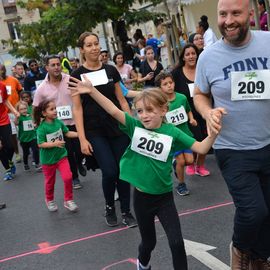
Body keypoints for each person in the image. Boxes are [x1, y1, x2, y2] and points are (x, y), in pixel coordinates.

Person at [68, 75, 220, 270]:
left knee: (176, 243)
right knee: (149, 243)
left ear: (163, 110)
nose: (144, 115)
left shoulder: (172, 132)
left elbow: (200, 147)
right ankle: (143, 263)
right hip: (142, 198)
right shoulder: (135, 126)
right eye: (140, 111)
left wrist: (214, 132)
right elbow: (113, 109)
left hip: (165, 198)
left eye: (149, 110)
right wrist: (92, 91)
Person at [193, 0, 270, 269]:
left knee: (268, 212)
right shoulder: (208, 57)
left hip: (268, 143)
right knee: (253, 211)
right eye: (223, 14)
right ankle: (239, 249)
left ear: (250, 14)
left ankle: (260, 258)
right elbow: (200, 94)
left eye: (235, 13)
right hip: (232, 148)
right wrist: (207, 113)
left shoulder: (268, 43)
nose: (228, 20)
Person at [71, 32, 137, 227]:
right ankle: (110, 207)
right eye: (89, 45)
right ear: (82, 50)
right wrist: (82, 139)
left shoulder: (110, 70)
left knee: (123, 170)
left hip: (117, 127)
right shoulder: (76, 76)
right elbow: (77, 108)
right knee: (109, 171)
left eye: (96, 44)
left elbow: (122, 100)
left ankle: (126, 211)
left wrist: (131, 124)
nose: (94, 48)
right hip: (94, 131)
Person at [33, 55, 85, 189]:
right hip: (57, 126)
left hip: (75, 121)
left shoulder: (70, 80)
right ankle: (74, 177)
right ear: (47, 68)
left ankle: (79, 163)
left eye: (58, 64)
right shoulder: (42, 88)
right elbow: (36, 107)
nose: (56, 67)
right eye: (53, 65)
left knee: (79, 150)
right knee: (67, 152)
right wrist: (37, 123)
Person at [155, 71, 197, 196]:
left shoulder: (182, 98)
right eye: (165, 84)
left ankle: (174, 164)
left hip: (185, 134)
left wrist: (192, 119)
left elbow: (188, 110)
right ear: (160, 88)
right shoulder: (160, 103)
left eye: (171, 82)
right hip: (172, 138)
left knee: (189, 161)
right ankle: (181, 185)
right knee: (181, 162)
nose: (169, 86)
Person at [172, 44, 210, 177]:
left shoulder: (202, 69)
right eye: (187, 54)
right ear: (183, 57)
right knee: (195, 138)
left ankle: (200, 166)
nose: (191, 56)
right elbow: (168, 90)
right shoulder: (176, 73)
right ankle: (191, 163)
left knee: (206, 139)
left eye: (193, 53)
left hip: (204, 109)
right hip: (187, 113)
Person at [33, 99, 79, 212]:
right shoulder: (42, 128)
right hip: (48, 160)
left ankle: (68, 200)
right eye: (51, 109)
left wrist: (80, 134)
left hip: (61, 156)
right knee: (50, 182)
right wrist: (55, 143)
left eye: (55, 109)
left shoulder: (59, 122)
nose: (55, 111)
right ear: (44, 113)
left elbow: (67, 133)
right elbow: (40, 144)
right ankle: (49, 200)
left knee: (68, 177)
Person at [0, 63, 22, 163]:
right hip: (5, 116)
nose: (2, 72)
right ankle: (10, 163)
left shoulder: (8, 82)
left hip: (10, 114)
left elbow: (5, 100)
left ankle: (11, 158)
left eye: (3, 70)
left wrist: (16, 110)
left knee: (13, 142)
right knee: (6, 141)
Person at [0, 82, 19, 181]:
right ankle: (8, 170)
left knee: (10, 146)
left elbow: (5, 100)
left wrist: (14, 111)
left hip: (3, 119)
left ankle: (9, 161)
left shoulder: (1, 85)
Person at [15, 102, 41, 171]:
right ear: (18, 111)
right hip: (24, 139)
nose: (24, 110)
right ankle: (26, 164)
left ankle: (37, 164)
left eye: (25, 108)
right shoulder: (20, 118)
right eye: (21, 109)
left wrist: (35, 125)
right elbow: (16, 123)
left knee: (35, 150)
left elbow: (34, 124)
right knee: (26, 153)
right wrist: (17, 117)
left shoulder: (30, 116)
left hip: (33, 136)